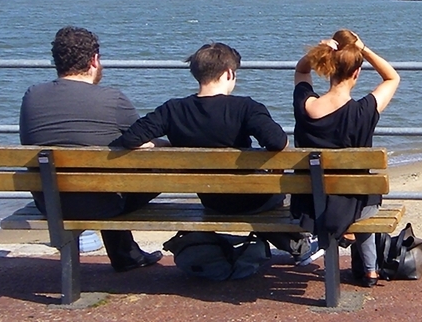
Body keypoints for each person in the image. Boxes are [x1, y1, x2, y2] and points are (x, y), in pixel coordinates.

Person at [116, 42, 323, 266]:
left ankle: (294, 246)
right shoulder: (246, 108)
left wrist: (165, 147)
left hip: (212, 201)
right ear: (228, 73)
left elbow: (130, 139)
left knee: (254, 200)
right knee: (290, 194)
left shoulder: (172, 109)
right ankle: (300, 245)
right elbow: (278, 142)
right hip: (255, 199)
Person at [19, 26, 162, 272]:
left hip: (51, 202)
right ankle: (126, 255)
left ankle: (127, 254)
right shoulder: (113, 98)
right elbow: (139, 139)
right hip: (104, 203)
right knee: (120, 176)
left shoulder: (32, 96)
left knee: (101, 176)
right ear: (94, 60)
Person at [291, 29, 400, 287]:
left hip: (309, 205)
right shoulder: (363, 111)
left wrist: (319, 51)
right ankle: (370, 270)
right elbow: (392, 77)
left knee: (350, 195)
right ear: (356, 73)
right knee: (365, 198)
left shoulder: (305, 106)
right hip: (353, 203)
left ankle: (348, 231)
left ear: (328, 69)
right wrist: (364, 50)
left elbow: (301, 72)